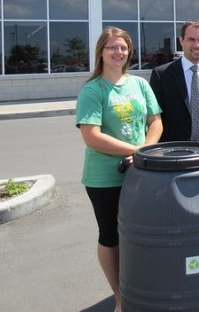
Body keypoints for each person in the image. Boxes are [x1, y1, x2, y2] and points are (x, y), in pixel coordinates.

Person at [75, 26, 163, 312]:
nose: (118, 52)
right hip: (104, 178)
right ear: (101, 51)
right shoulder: (93, 90)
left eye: (123, 48)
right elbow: (92, 136)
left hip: (140, 173)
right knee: (111, 235)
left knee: (142, 234)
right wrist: (135, 151)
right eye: (112, 47)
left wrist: (145, 151)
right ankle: (120, 295)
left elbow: (155, 121)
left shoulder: (139, 84)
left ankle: (143, 286)